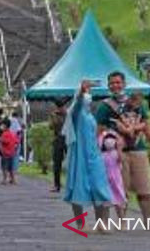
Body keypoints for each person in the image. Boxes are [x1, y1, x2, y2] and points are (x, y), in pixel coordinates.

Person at [95, 72, 150, 222]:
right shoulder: (105, 106)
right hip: (117, 153)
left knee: (145, 188)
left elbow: (147, 124)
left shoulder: (136, 103)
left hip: (139, 149)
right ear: (108, 86)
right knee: (120, 188)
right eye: (112, 83)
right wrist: (99, 148)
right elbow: (99, 130)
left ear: (124, 84)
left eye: (118, 82)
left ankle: (148, 221)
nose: (115, 86)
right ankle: (122, 221)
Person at [63, 80, 111, 230]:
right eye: (86, 100)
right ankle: (79, 223)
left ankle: (100, 222)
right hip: (80, 155)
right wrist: (81, 92)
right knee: (78, 186)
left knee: (99, 186)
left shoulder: (90, 116)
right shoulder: (77, 115)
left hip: (94, 153)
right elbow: (77, 104)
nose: (88, 103)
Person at [99, 130, 127, 219]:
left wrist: (119, 148)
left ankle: (122, 221)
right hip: (105, 182)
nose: (109, 141)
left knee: (118, 203)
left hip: (116, 182)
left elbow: (121, 159)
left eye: (112, 139)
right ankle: (105, 223)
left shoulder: (116, 154)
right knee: (105, 203)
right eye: (106, 139)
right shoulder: (102, 155)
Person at [49, 99, 67, 192]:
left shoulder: (69, 114)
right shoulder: (54, 115)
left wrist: (65, 114)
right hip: (58, 139)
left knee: (72, 162)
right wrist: (54, 116)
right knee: (57, 163)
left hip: (69, 139)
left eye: (63, 106)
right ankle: (57, 184)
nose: (61, 108)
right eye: (60, 107)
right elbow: (51, 126)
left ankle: (72, 184)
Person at [0, 119, 19, 185]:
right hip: (12, 153)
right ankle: (13, 180)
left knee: (4, 167)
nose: (1, 126)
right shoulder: (12, 133)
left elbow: (5, 141)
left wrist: (0, 140)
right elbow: (16, 142)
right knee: (11, 168)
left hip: (5, 154)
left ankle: (5, 179)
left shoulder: (4, 134)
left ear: (5, 126)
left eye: (2, 125)